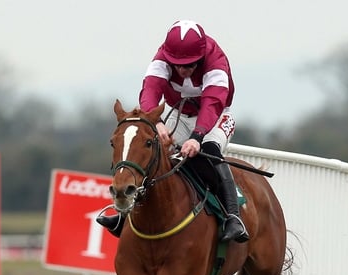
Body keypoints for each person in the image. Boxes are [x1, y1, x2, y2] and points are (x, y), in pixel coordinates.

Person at [98, 19, 249, 243]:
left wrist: (197, 137)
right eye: (176, 64)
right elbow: (150, 91)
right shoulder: (161, 58)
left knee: (208, 151)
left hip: (216, 117)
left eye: (189, 65)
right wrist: (155, 122)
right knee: (151, 151)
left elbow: (212, 103)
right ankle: (124, 215)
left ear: (200, 57)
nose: (182, 69)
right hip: (179, 114)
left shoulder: (216, 60)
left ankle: (233, 218)